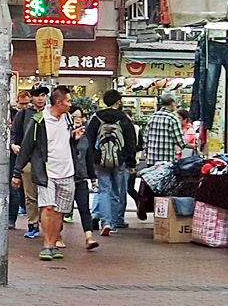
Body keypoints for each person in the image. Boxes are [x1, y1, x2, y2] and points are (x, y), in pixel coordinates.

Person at [15, 82, 76, 261]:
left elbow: (69, 143)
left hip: (67, 171)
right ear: (58, 102)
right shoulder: (39, 120)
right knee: (48, 207)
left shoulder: (68, 119)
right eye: (68, 101)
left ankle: (54, 242)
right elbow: (26, 146)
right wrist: (16, 172)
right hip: (47, 172)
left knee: (59, 211)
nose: (70, 104)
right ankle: (47, 244)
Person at [83, 88, 138, 234]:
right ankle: (112, 223)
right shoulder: (124, 118)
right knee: (116, 192)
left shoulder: (96, 117)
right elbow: (131, 142)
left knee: (103, 190)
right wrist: (131, 163)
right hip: (119, 160)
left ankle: (105, 221)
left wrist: (92, 160)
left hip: (100, 160)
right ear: (118, 102)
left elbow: (88, 140)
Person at [10, 83, 48, 239]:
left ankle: (49, 226)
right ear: (31, 97)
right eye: (37, 95)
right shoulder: (23, 114)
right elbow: (14, 133)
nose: (40, 98)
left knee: (47, 196)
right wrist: (13, 145)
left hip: (48, 161)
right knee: (30, 195)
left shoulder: (51, 114)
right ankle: (33, 224)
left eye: (43, 95)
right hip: (28, 160)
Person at [68, 106, 99, 252]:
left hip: (80, 178)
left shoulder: (85, 136)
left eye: (79, 116)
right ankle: (56, 237)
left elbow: (89, 157)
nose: (77, 119)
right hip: (65, 177)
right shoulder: (63, 134)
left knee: (84, 209)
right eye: (74, 116)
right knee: (60, 210)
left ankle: (89, 237)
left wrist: (92, 177)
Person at [141, 89, 185, 170]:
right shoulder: (173, 118)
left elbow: (145, 138)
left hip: (152, 159)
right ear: (172, 103)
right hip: (166, 160)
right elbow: (180, 142)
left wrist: (147, 153)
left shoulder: (152, 117)